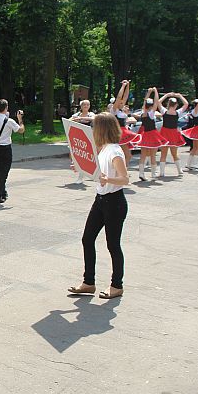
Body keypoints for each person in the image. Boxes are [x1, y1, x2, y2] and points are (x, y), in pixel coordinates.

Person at [68, 112, 129, 299]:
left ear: (102, 129)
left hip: (114, 202)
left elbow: (124, 179)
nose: (92, 130)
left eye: (95, 127)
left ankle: (117, 285)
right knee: (87, 239)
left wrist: (106, 179)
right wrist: (81, 168)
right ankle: (88, 282)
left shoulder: (115, 151)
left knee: (113, 245)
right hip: (100, 200)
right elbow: (97, 173)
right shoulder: (102, 149)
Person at [0, 99, 25, 204]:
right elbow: (21, 130)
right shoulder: (9, 121)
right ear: (6, 108)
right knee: (4, 174)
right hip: (5, 149)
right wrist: (20, 119)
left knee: (0, 172)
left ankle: (3, 192)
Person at [134, 87, 168, 181]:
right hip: (152, 134)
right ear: (151, 106)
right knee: (153, 154)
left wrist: (148, 93)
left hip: (145, 134)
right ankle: (153, 173)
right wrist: (155, 91)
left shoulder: (142, 112)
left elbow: (145, 103)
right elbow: (156, 101)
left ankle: (141, 173)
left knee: (143, 155)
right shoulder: (151, 113)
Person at [157, 92, 188, 176]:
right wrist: (179, 96)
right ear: (176, 105)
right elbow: (186, 104)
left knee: (163, 153)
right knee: (174, 153)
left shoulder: (164, 111)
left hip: (164, 133)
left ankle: (162, 173)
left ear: (168, 104)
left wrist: (166, 95)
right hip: (173, 133)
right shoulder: (178, 112)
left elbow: (158, 102)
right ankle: (179, 170)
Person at [109, 81, 140, 165]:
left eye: (123, 102)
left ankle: (121, 172)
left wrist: (128, 85)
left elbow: (125, 96)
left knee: (127, 155)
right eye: (120, 102)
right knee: (123, 155)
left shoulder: (121, 110)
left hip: (124, 132)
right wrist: (123, 86)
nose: (122, 103)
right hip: (117, 132)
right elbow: (119, 97)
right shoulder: (114, 110)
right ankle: (120, 172)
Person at [69, 100, 96, 184]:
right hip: (78, 138)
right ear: (81, 106)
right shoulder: (76, 115)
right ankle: (78, 169)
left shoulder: (91, 114)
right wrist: (74, 119)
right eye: (84, 105)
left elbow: (93, 118)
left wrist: (80, 119)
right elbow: (69, 120)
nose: (86, 106)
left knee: (86, 156)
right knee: (75, 154)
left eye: (88, 105)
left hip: (89, 138)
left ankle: (82, 176)